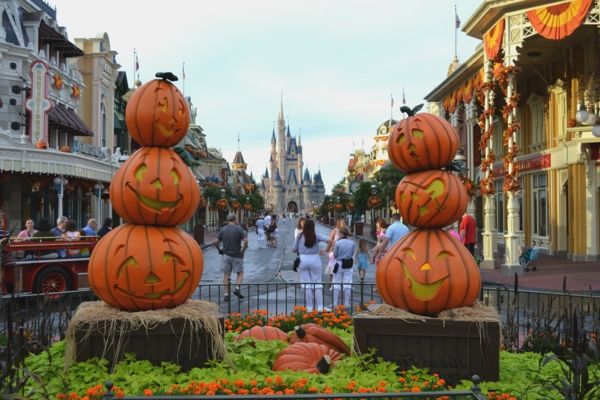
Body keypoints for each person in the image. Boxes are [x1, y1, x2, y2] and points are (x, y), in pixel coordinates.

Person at [292, 219, 331, 312]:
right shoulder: (316, 236)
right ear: (313, 227)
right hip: (315, 259)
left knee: (306, 284)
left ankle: (309, 308)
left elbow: (294, 249)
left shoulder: (299, 236)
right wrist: (326, 250)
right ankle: (320, 307)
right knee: (317, 283)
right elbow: (331, 241)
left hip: (302, 259)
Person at [216, 213, 248, 302]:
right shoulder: (239, 229)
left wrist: (219, 249)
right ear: (234, 219)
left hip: (226, 255)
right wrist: (242, 251)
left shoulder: (223, 229)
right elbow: (245, 242)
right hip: (237, 255)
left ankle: (226, 294)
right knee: (240, 273)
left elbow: (216, 241)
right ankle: (237, 288)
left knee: (226, 274)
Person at [332, 227, 356, 309]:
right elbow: (352, 253)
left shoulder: (338, 243)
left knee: (336, 282)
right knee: (348, 282)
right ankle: (346, 303)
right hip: (348, 263)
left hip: (339, 263)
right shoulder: (352, 243)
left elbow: (334, 255)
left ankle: (335, 303)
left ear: (341, 234)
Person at [325, 218, 346, 289]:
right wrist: (328, 249)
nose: (344, 223)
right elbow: (330, 240)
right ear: (339, 223)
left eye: (344, 222)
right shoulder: (335, 231)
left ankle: (339, 283)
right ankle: (331, 283)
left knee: (341, 267)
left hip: (342, 252)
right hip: (333, 251)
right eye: (342, 222)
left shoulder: (345, 232)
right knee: (332, 267)